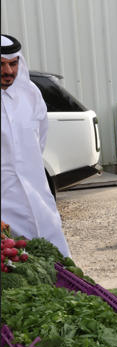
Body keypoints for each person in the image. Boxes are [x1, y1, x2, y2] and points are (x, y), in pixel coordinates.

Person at [0, 34, 70, 256]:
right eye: (1, 64)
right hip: (4, 203)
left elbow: (40, 139)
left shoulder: (31, 94)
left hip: (37, 197)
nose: (9, 71)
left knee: (56, 262)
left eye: (13, 63)